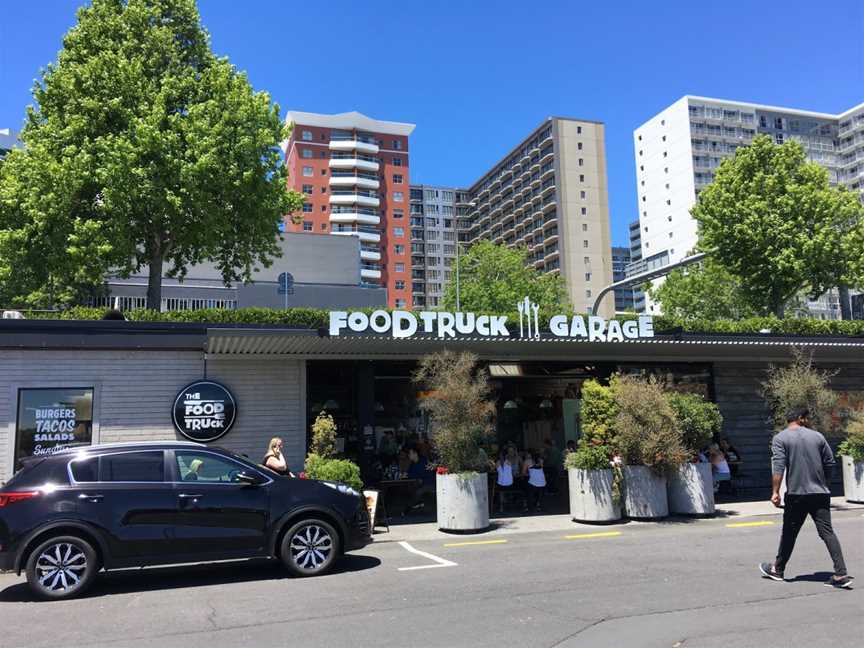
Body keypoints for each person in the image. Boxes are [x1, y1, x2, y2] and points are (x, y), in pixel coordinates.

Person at [759, 408, 853, 589]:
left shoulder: (780, 438)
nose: (808, 421)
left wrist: (775, 491)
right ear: (801, 419)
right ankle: (841, 574)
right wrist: (824, 483)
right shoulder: (818, 437)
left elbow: (778, 466)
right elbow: (830, 463)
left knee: (789, 533)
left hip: (796, 495)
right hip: (820, 493)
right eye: (806, 418)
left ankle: (777, 570)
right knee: (827, 532)